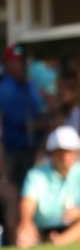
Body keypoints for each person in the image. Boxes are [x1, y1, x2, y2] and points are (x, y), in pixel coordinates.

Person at [16, 126, 80, 248]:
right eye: (63, 152)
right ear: (53, 153)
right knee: (24, 235)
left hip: (78, 225)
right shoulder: (36, 174)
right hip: (44, 229)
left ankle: (60, 242)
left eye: (71, 151)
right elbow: (28, 202)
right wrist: (26, 223)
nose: (67, 156)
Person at [0, 44, 45, 189]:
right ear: (7, 64)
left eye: (23, 61)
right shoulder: (5, 88)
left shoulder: (29, 84)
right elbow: (22, 121)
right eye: (17, 61)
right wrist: (48, 124)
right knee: (14, 189)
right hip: (11, 152)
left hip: (31, 149)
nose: (22, 65)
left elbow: (39, 109)